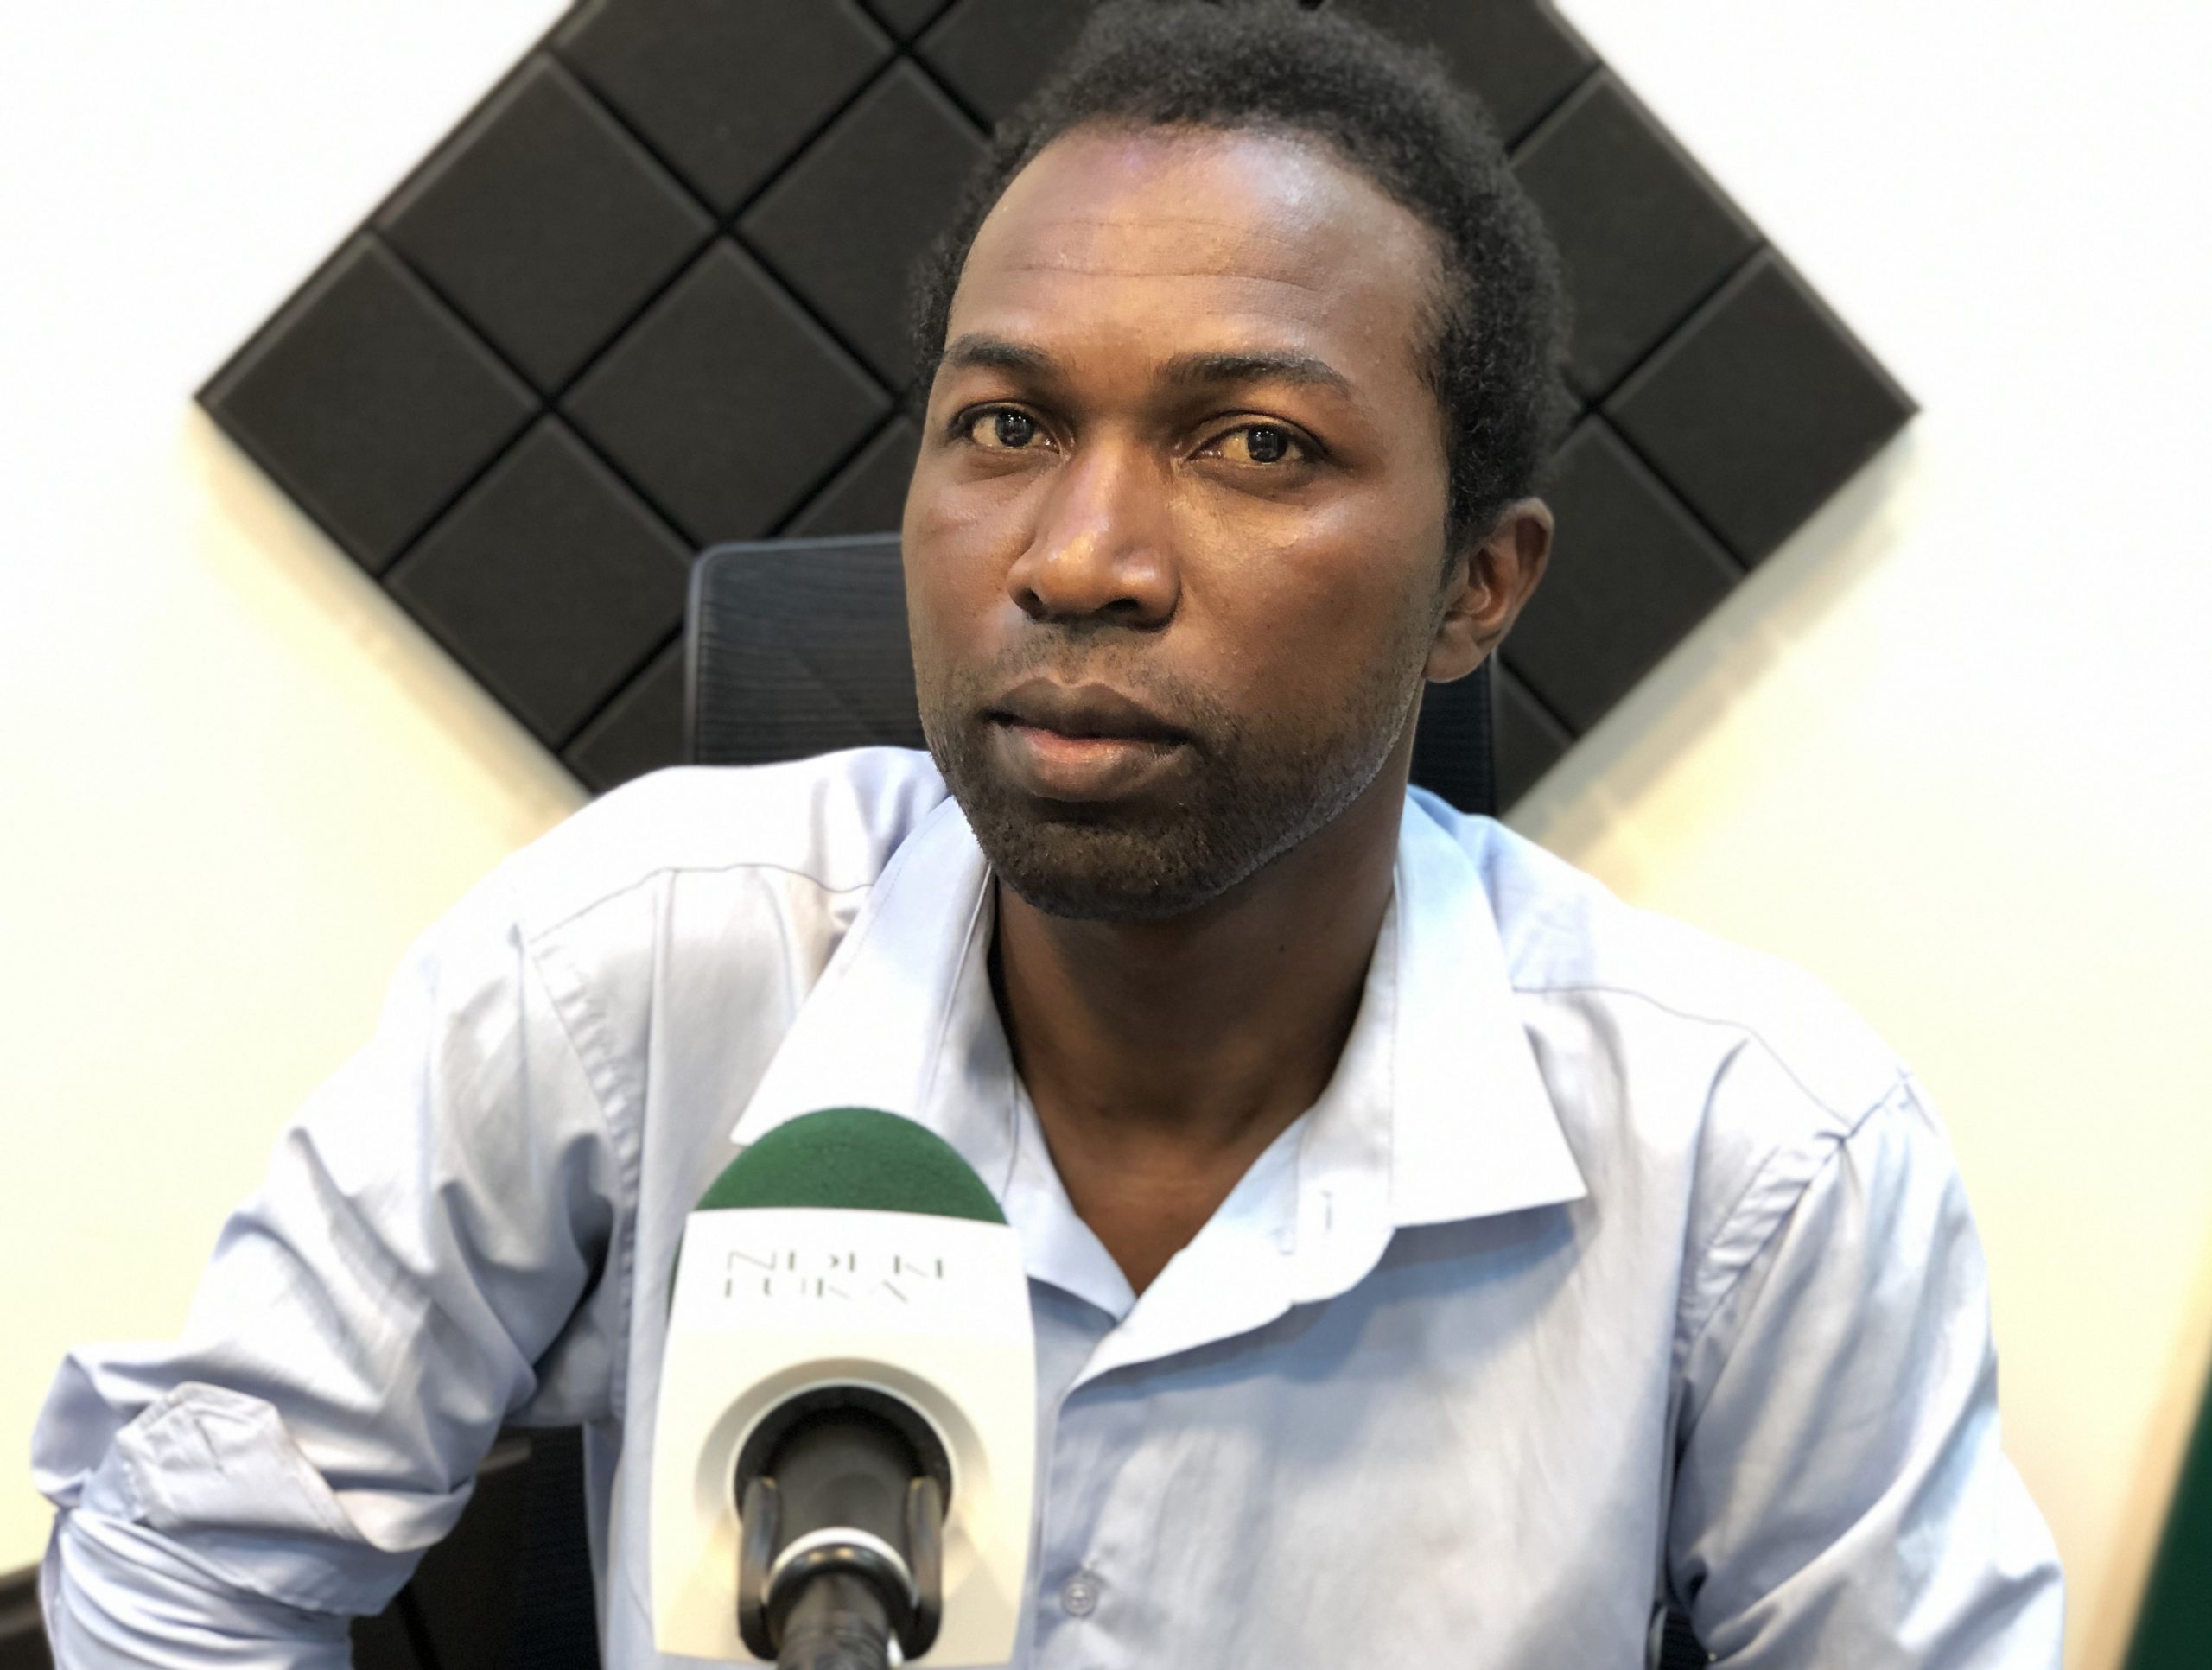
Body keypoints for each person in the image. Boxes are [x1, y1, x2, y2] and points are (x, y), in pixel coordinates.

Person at [34, 3, 2063, 1664]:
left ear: (1476, 583)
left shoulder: (1758, 1162)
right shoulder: (620, 972)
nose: (1079, 557)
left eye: (1250, 443)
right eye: (1004, 425)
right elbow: (177, 1575)